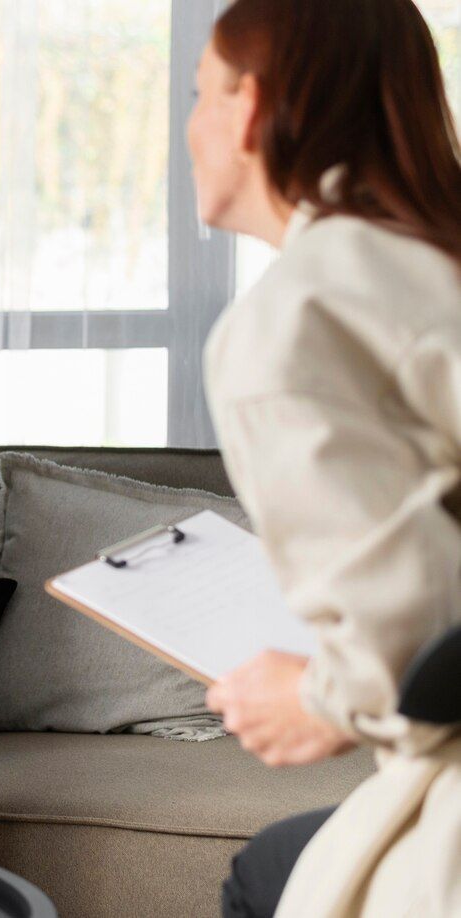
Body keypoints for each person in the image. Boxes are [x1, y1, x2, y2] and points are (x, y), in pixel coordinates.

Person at [185, 0, 461, 914]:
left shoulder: (292, 319)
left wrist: (318, 697)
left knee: (270, 876)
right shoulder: (430, 258)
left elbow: (418, 635)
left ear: (251, 108)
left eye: (199, 95)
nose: (189, 129)